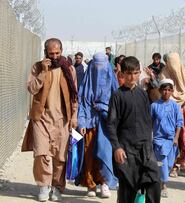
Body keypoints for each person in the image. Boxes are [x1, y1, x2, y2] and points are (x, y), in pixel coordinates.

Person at [21, 38, 78, 202]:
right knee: (41, 154)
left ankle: (57, 187)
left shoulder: (69, 69)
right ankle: (43, 186)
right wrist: (43, 72)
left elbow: (74, 95)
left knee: (60, 157)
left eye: (57, 53)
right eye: (51, 53)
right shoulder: (37, 67)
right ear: (45, 52)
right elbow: (32, 89)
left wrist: (74, 116)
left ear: (62, 51)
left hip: (62, 119)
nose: (54, 57)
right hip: (41, 118)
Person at [107, 56, 161, 203]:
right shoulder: (117, 96)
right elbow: (111, 124)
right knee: (127, 188)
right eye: (129, 73)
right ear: (122, 74)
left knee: (154, 181)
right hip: (126, 149)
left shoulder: (143, 93)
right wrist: (116, 147)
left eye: (136, 73)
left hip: (145, 148)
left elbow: (157, 97)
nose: (132, 77)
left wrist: (152, 80)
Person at [76, 52, 119, 198]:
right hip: (88, 122)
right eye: (96, 67)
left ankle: (105, 183)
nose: (99, 71)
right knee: (89, 154)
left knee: (105, 153)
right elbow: (81, 101)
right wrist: (81, 121)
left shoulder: (113, 83)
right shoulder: (86, 81)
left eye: (102, 67)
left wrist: (104, 107)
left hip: (107, 123)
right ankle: (90, 184)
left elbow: (117, 104)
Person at [160, 52, 185, 177]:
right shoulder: (164, 75)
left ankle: (184, 164)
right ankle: (173, 166)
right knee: (173, 139)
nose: (174, 67)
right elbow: (165, 94)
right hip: (170, 112)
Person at [151, 79, 183, 198]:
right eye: (164, 89)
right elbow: (149, 122)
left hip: (171, 140)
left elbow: (179, 123)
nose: (166, 92)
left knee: (169, 164)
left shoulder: (175, 106)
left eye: (169, 90)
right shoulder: (154, 106)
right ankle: (163, 185)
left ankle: (161, 179)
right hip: (159, 140)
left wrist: (176, 138)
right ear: (160, 90)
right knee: (162, 163)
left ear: (172, 91)